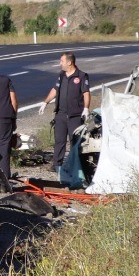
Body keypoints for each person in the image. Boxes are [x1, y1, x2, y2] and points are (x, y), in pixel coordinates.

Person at [42, 52, 93, 189]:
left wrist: (86, 108)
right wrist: (46, 102)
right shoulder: (61, 75)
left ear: (69, 62)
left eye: (62, 61)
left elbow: (86, 93)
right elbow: (55, 89)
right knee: (59, 141)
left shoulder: (82, 76)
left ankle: (76, 166)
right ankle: (57, 165)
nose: (60, 63)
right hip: (61, 114)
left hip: (75, 116)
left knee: (75, 142)